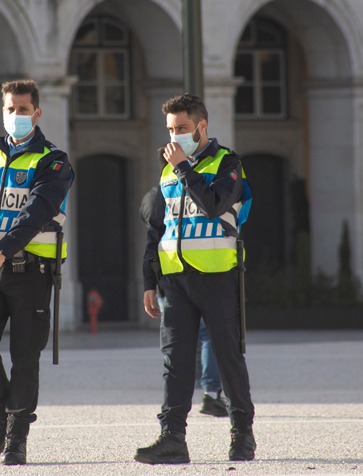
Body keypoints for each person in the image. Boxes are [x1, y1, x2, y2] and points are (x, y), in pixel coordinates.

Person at [0, 79, 74, 464]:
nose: (16, 115)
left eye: (24, 109)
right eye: (11, 109)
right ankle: (1, 418)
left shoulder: (53, 160)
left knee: (25, 356)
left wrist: (2, 250)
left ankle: (17, 437)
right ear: (2, 111)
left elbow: (35, 213)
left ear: (37, 113)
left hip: (31, 271)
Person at [135, 93, 255, 464]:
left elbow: (216, 204)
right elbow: (158, 228)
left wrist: (186, 167)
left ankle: (242, 434)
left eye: (182, 128)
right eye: (171, 130)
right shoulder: (168, 170)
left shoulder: (227, 163)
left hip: (218, 277)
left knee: (227, 356)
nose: (175, 136)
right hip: (175, 280)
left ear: (202, 126)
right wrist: (149, 281)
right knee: (176, 361)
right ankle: (172, 438)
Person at [140, 145, 228, 418]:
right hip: (192, 275)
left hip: (169, 277)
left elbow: (151, 236)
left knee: (177, 345)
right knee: (205, 337)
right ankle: (211, 393)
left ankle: (182, 403)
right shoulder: (170, 189)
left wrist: (149, 282)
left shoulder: (152, 195)